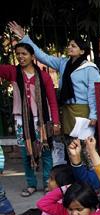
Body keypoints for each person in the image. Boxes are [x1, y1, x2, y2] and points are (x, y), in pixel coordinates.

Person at [9, 21, 100, 136]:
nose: (69, 47)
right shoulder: (63, 63)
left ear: (82, 51)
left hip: (83, 108)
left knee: (85, 142)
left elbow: (94, 93)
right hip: (67, 108)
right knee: (69, 142)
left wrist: (94, 115)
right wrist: (24, 38)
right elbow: (43, 57)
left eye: (73, 46)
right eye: (69, 45)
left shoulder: (90, 68)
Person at [0, 42, 60, 196]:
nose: (21, 57)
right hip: (22, 121)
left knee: (46, 153)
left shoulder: (44, 76)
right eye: (18, 54)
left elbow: (52, 100)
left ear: (32, 56)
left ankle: (47, 183)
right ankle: (31, 184)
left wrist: (56, 122)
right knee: (25, 152)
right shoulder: (13, 72)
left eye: (24, 54)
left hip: (41, 121)